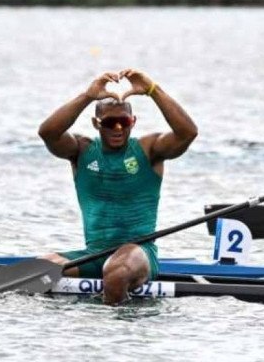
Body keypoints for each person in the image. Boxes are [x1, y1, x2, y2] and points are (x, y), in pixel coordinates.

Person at [37, 69, 198, 304]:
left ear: (133, 122)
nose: (118, 128)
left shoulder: (149, 150)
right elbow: (48, 133)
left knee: (117, 272)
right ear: (96, 123)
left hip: (138, 254)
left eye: (124, 122)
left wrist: (153, 90)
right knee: (38, 270)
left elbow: (187, 133)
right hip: (94, 255)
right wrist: (87, 96)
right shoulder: (81, 151)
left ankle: (114, 334)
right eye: (110, 122)